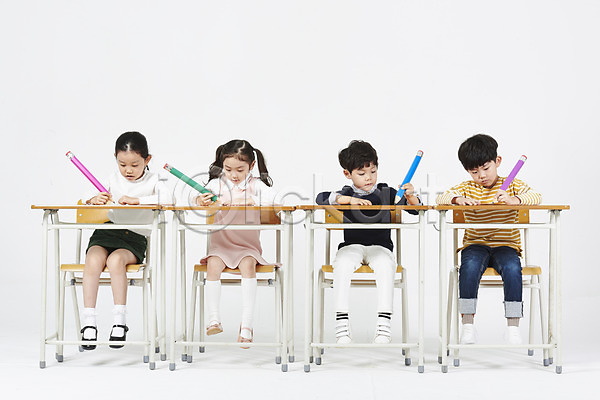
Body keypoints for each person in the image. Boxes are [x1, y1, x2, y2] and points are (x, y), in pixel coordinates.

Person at [436, 133, 542, 345]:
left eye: (486, 168)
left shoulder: (512, 185)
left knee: (512, 268)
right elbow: (441, 198)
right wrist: (458, 199)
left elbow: (536, 197)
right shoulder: (468, 187)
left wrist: (514, 200)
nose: (481, 176)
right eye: (474, 172)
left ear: (497, 161)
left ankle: (513, 326)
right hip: (476, 245)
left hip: (506, 245)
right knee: (469, 267)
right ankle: (467, 325)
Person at [316, 140, 421, 344]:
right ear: (347, 174)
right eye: (361, 173)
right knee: (343, 264)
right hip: (352, 247)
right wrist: (349, 200)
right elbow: (321, 198)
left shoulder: (387, 192)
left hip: (380, 247)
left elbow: (416, 210)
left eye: (373, 171)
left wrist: (411, 196)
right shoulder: (347, 193)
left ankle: (384, 324)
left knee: (385, 265)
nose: (369, 178)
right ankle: (341, 323)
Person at [81, 131, 171, 350]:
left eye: (134, 165)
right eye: (122, 164)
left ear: (147, 160)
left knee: (115, 261)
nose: (128, 170)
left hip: (134, 237)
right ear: (115, 158)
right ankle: (89, 322)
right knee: (93, 260)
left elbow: (169, 199)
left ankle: (119, 321)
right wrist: (94, 199)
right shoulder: (112, 178)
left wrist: (138, 200)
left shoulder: (155, 179)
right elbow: (89, 200)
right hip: (108, 231)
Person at [196, 139, 277, 347]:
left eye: (240, 170)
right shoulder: (216, 184)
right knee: (213, 265)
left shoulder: (256, 185)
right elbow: (195, 198)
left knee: (248, 265)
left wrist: (246, 201)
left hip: (247, 247)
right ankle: (214, 319)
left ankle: (247, 325)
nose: (233, 175)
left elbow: (274, 200)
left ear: (251, 166)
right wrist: (200, 200)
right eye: (228, 169)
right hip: (221, 246)